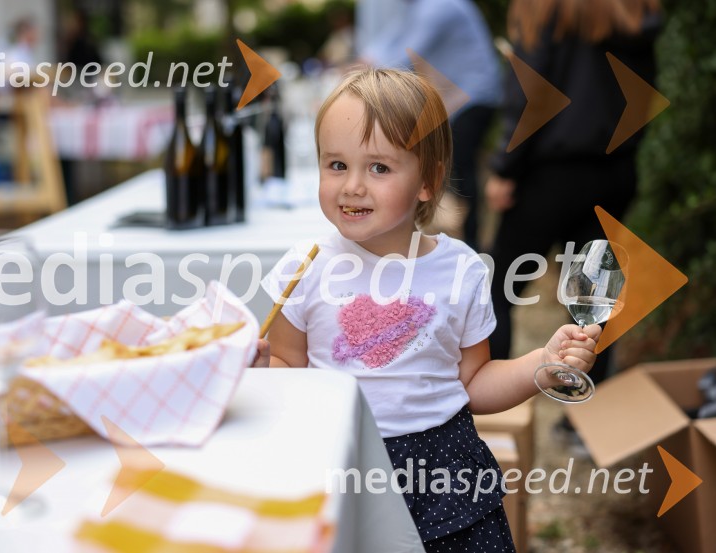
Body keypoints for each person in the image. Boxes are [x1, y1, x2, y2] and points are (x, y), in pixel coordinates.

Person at [253, 68, 600, 551]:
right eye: (336, 165)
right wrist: (256, 369)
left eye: (379, 168)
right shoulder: (304, 268)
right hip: (339, 459)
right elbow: (289, 366)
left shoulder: (460, 270)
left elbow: (473, 384)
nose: (352, 185)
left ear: (427, 181)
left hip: (443, 471)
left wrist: (542, 365)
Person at [485, 0, 661, 386]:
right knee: (593, 300)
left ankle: (483, 409)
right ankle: (578, 413)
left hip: (552, 173)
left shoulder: (545, 6)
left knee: (497, 289)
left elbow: (532, 93)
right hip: (615, 171)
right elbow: (645, 95)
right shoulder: (634, 11)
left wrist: (504, 167)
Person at [359, 0, 502, 251]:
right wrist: (366, 59)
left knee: (459, 168)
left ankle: (470, 244)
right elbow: (392, 38)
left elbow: (406, 53)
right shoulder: (417, 9)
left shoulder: (440, 6)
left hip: (475, 95)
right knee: (455, 167)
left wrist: (362, 75)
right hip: (461, 98)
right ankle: (459, 240)